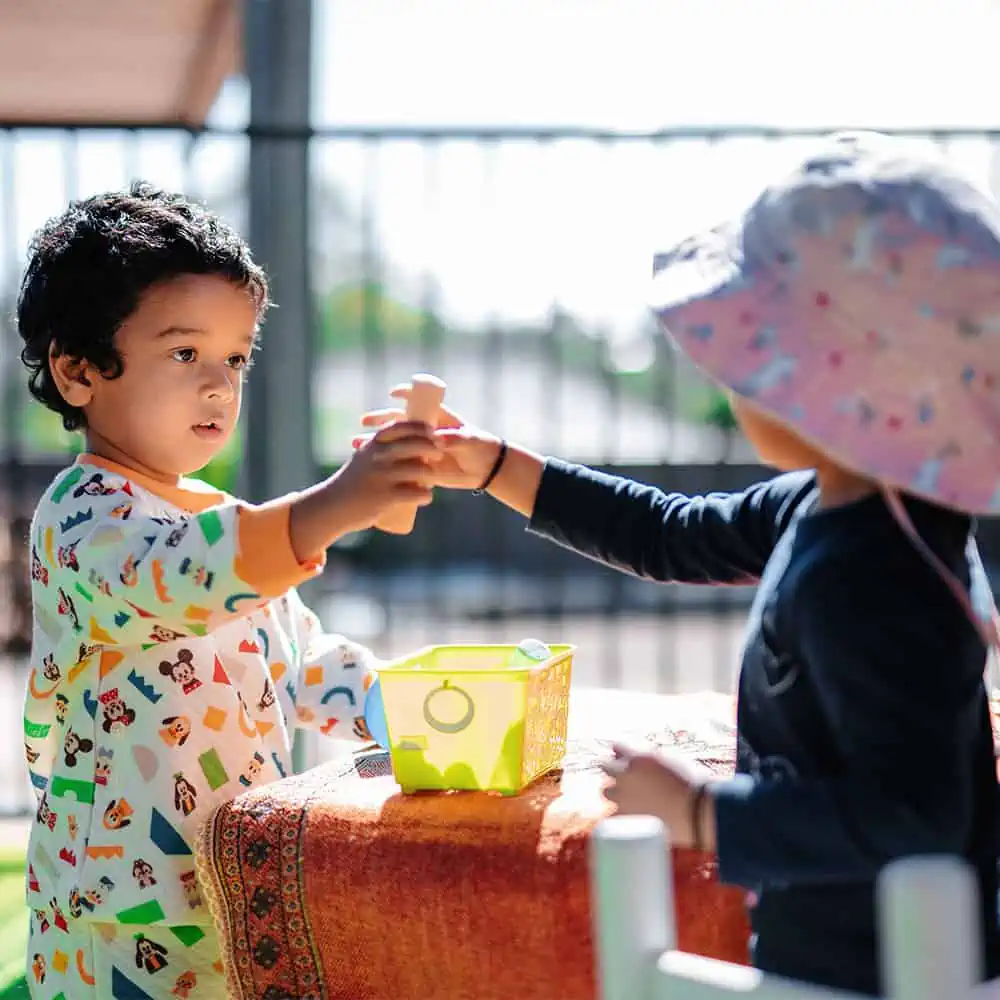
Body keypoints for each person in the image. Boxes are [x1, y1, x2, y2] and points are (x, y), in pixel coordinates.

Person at [360, 133, 1000, 995]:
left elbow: (914, 816)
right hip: (852, 950)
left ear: (818, 387)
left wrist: (699, 810)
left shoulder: (873, 580)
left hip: (882, 971)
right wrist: (499, 466)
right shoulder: (837, 507)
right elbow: (671, 533)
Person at [19, 182, 442, 998]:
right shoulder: (82, 519)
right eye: (185, 354)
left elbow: (300, 657)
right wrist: (332, 506)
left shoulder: (223, 519)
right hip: (115, 907)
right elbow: (182, 576)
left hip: (228, 880)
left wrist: (399, 707)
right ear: (77, 371)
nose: (219, 384)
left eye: (236, 357)